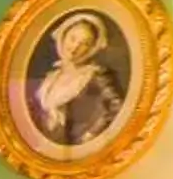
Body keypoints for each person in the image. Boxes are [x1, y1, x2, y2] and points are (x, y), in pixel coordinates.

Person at [30, 13, 126, 148]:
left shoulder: (96, 75)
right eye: (73, 39)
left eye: (84, 44)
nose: (75, 47)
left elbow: (117, 108)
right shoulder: (51, 77)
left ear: (92, 48)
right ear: (63, 37)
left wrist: (90, 135)